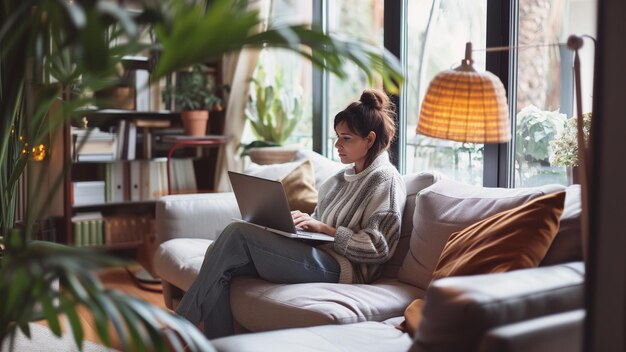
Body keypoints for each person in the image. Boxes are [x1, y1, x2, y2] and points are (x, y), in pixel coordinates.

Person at [176, 89, 407, 338]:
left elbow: (378, 248)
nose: (337, 145)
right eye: (337, 137)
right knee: (222, 260)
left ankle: (174, 333)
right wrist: (298, 226)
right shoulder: (337, 180)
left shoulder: (385, 180)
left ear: (370, 140)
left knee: (236, 232)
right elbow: (319, 222)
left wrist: (326, 230)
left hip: (343, 270)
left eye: (346, 138)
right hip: (316, 254)